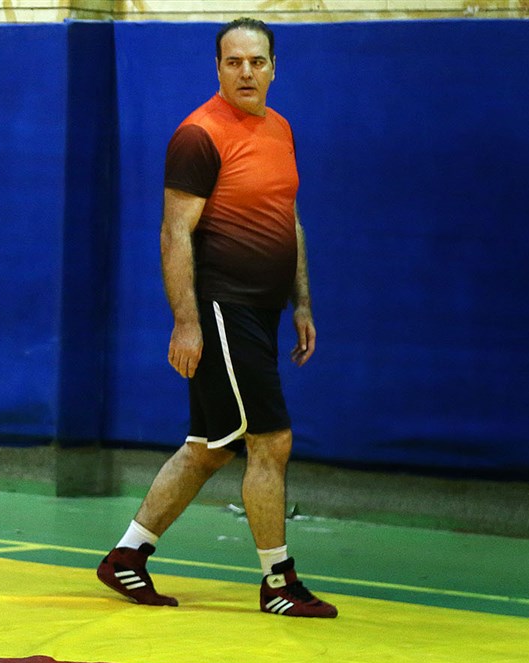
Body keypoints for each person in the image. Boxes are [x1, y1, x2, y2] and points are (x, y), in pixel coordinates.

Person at [97, 18, 337, 618]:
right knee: (270, 441)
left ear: (274, 67)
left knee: (209, 447)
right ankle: (277, 581)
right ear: (218, 68)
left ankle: (127, 556)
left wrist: (302, 302)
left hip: (264, 311)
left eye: (257, 61)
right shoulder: (198, 135)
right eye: (234, 62)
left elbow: (288, 219)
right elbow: (174, 233)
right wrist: (186, 322)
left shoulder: (280, 129)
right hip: (224, 310)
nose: (246, 72)